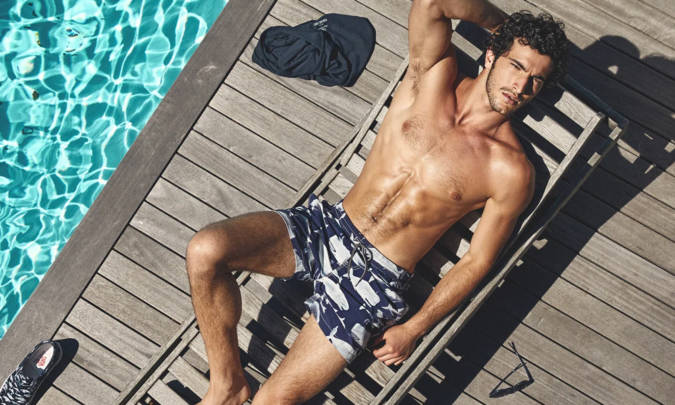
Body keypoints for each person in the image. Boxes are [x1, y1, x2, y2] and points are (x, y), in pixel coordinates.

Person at [186, 0, 568, 403]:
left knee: (273, 402)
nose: (520, 87)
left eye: (536, 81)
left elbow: (477, 261)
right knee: (205, 250)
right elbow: (433, 3)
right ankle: (227, 385)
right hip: (327, 227)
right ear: (492, 54)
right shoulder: (432, 77)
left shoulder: (511, 171)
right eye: (516, 66)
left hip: (373, 284)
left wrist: (415, 327)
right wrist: (506, 28)